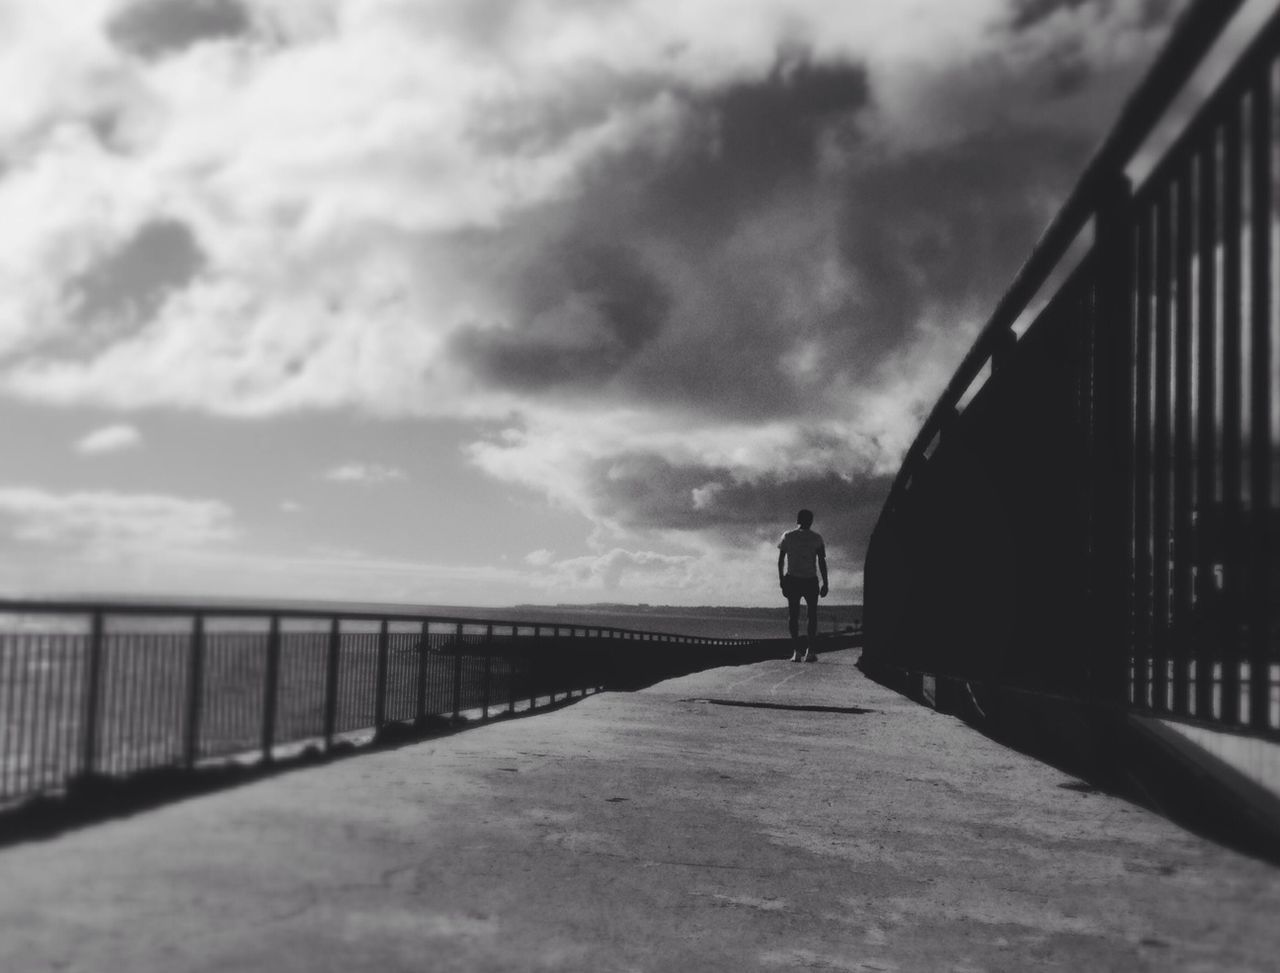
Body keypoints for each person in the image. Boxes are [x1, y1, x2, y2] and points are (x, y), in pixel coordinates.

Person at [777, 509, 828, 662]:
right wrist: (825, 582)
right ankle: (810, 651)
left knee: (793, 616)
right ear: (811, 521)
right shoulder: (817, 538)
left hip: (792, 580)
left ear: (797, 520)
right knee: (811, 616)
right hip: (811, 580)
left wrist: (781, 580)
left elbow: (780, 560)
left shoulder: (787, 536)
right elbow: (821, 561)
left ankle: (796, 652)